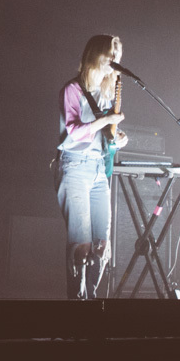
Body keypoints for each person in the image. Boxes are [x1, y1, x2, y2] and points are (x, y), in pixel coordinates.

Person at [55, 34, 129, 300]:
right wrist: (106, 120)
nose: (114, 60)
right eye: (110, 54)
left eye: (117, 56)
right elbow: (75, 131)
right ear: (96, 54)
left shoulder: (108, 93)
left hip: (99, 169)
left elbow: (106, 134)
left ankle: (93, 300)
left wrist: (118, 137)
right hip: (75, 167)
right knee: (82, 246)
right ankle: (77, 302)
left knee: (101, 245)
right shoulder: (72, 90)